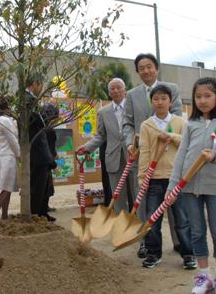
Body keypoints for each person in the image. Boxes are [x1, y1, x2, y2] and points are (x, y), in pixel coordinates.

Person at [169, 77, 216, 294]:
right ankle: (204, 277)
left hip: (215, 186)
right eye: (198, 96)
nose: (202, 100)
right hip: (189, 186)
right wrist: (172, 187)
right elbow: (181, 156)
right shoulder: (190, 124)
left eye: (207, 96)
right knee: (197, 232)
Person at [122, 53, 183, 258]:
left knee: (174, 202)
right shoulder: (131, 95)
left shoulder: (171, 89)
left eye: (149, 66)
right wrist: (131, 142)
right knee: (145, 202)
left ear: (156, 68)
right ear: (137, 71)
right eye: (141, 68)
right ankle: (145, 242)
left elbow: (177, 119)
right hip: (144, 156)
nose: (146, 71)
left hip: (170, 157)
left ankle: (180, 241)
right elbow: (127, 123)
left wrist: (169, 137)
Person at [139, 84, 195, 270]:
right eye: (156, 99)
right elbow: (144, 153)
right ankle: (153, 253)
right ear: (152, 102)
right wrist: (142, 179)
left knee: (182, 219)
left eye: (164, 98)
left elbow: (188, 146)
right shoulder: (147, 125)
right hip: (154, 179)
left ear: (170, 102)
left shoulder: (180, 123)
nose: (160, 102)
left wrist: (171, 136)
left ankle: (188, 253)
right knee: (152, 219)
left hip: (176, 178)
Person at [76, 78, 135, 213]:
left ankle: (138, 223)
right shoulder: (103, 112)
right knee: (118, 195)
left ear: (125, 90)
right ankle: (121, 222)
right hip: (113, 158)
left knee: (137, 194)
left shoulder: (133, 107)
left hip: (132, 155)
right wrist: (87, 147)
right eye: (112, 89)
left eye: (119, 87)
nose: (116, 91)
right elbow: (101, 135)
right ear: (109, 93)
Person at [25, 76, 56, 218]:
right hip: (37, 153)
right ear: (35, 83)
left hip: (39, 152)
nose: (42, 89)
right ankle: (36, 217)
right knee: (38, 188)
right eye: (41, 85)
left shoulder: (31, 100)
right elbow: (37, 129)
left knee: (41, 187)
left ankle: (41, 214)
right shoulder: (28, 100)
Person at [0, 96, 20, 221]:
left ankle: (4, 215)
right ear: (7, 107)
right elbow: (13, 141)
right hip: (8, 157)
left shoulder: (3, 119)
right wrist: (20, 156)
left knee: (7, 189)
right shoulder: (5, 120)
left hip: (6, 156)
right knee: (5, 190)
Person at [41, 103, 59, 221]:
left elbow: (51, 147)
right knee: (45, 188)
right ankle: (43, 213)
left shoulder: (45, 129)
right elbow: (47, 148)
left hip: (46, 160)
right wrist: (53, 164)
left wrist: (55, 155)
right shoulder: (48, 131)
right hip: (46, 162)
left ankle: (44, 210)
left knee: (45, 188)